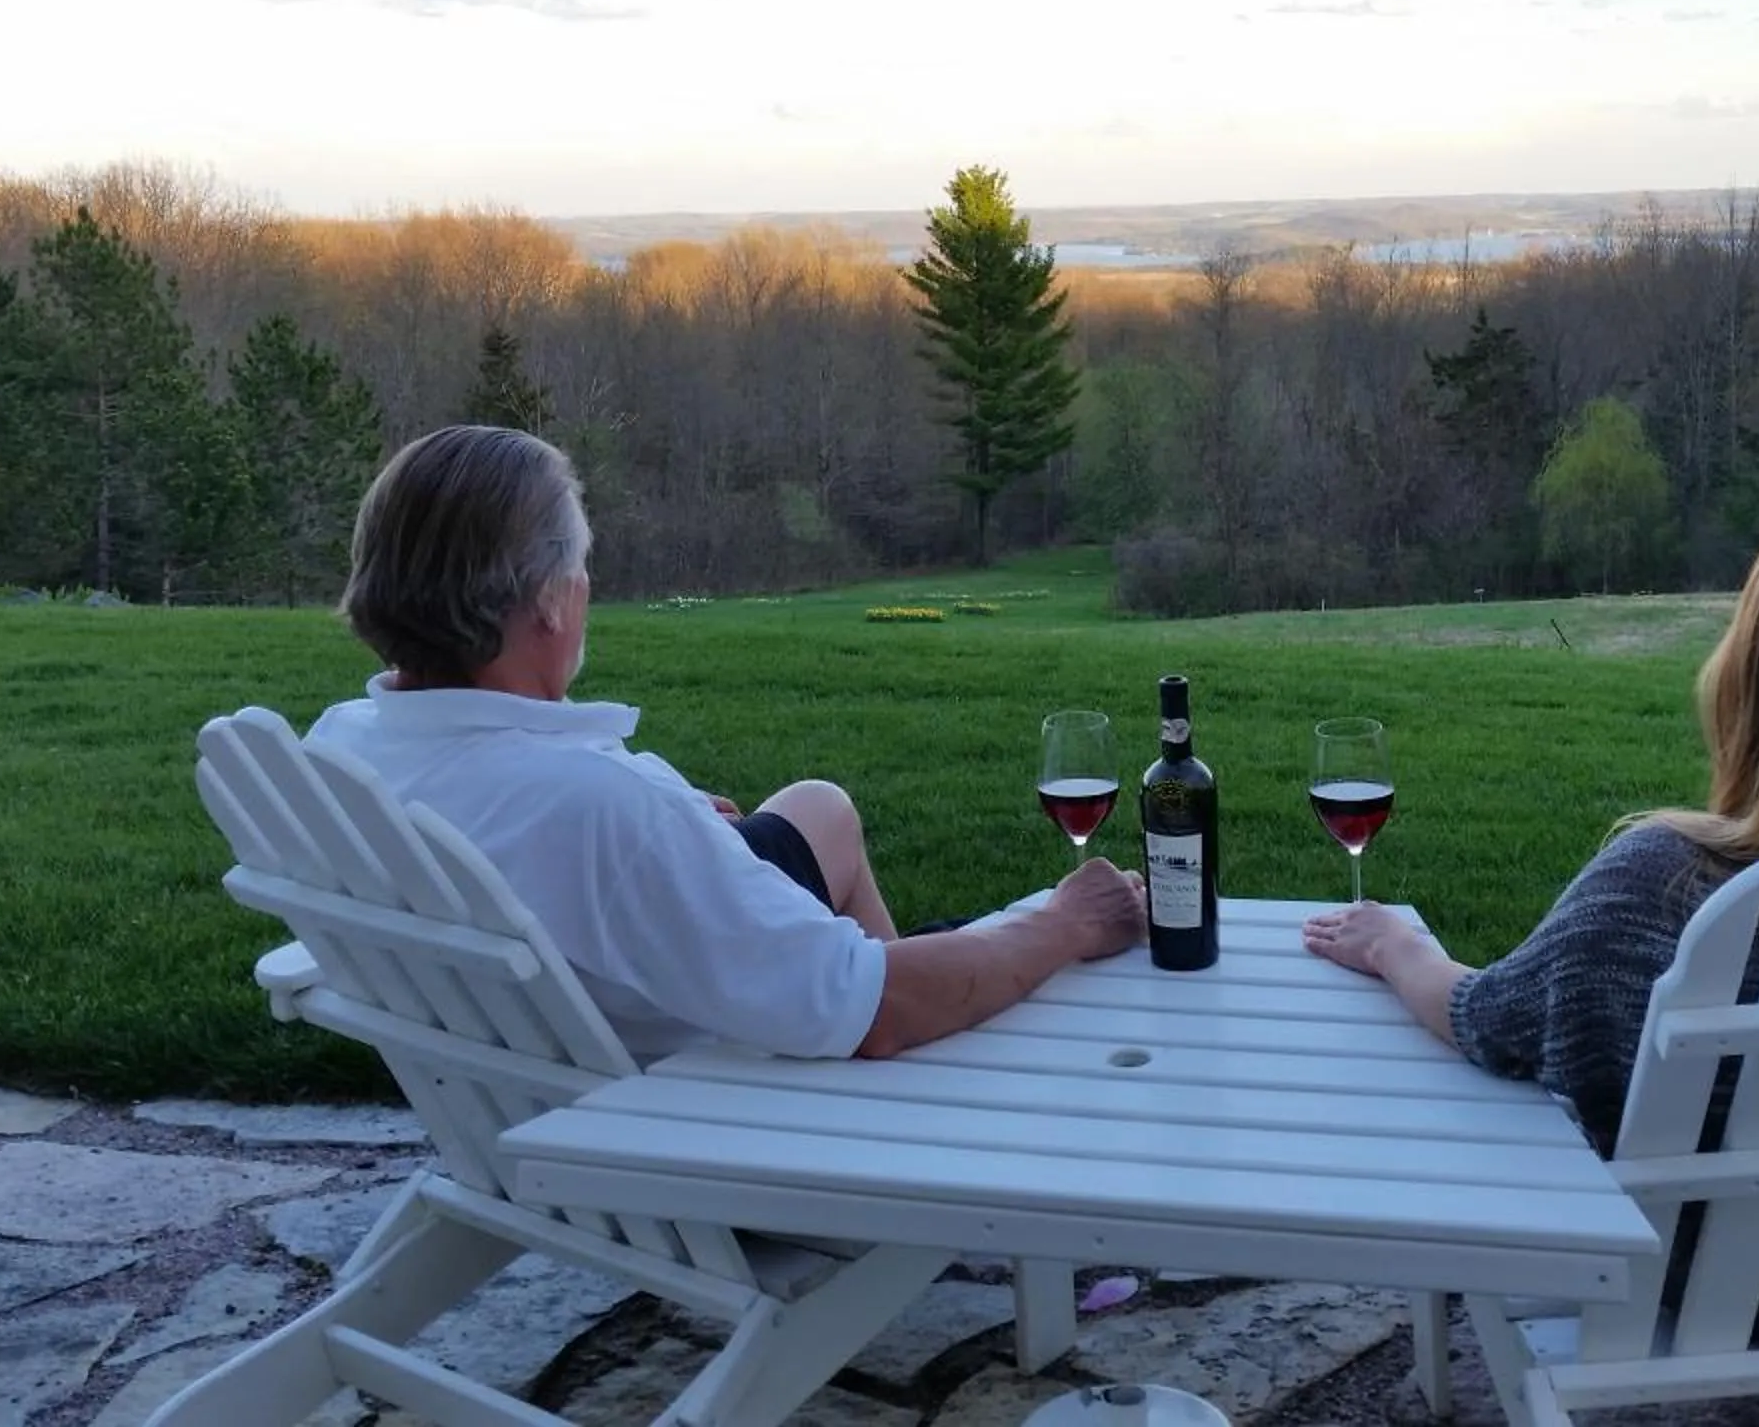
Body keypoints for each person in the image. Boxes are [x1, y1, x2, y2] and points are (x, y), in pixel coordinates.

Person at [304, 424, 1146, 1063]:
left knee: (819, 809)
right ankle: (928, 1090)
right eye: (581, 568)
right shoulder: (593, 811)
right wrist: (1062, 924)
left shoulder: (349, 746)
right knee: (938, 973)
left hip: (540, 1062)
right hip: (698, 1095)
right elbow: (869, 1010)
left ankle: (932, 966)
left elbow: (573, 845)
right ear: (550, 603)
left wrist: (679, 829)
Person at [1303, 501, 1759, 1156]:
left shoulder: (1664, 886)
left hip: (1701, 1289)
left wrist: (1396, 947)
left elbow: (1488, 1021)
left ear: (1751, 684)